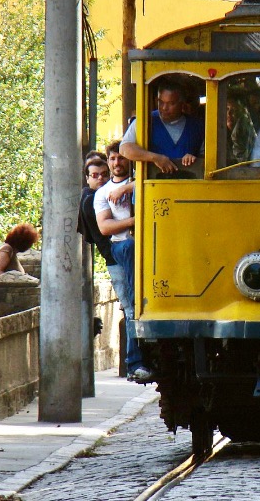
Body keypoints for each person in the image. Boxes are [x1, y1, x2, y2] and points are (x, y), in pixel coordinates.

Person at [94, 141, 152, 383]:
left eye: (121, 158)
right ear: (108, 162)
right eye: (113, 159)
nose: (117, 163)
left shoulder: (139, 183)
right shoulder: (102, 194)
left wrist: (128, 187)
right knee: (131, 307)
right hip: (123, 247)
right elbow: (105, 227)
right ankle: (135, 362)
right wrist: (132, 222)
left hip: (146, 246)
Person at [120, 83, 205, 174]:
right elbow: (124, 148)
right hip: (151, 185)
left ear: (182, 104)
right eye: (161, 102)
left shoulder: (197, 126)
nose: (164, 108)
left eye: (171, 103)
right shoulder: (144, 121)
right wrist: (155, 158)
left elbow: (206, 158)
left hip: (187, 185)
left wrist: (194, 159)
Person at [77, 156, 113, 337]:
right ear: (88, 178)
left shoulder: (93, 196)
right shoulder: (91, 200)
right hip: (114, 255)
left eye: (105, 175)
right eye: (95, 175)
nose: (101, 179)